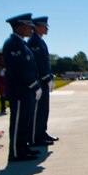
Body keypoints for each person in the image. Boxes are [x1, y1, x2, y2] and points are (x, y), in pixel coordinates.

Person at [3, 13, 41, 162]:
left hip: (26, 90)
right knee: (18, 122)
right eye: (28, 25)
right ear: (19, 26)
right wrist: (34, 85)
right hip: (19, 90)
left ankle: (23, 147)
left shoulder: (22, 44)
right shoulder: (12, 43)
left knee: (25, 120)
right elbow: (20, 69)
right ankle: (15, 152)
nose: (31, 28)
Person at [27, 16, 58, 146]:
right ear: (36, 26)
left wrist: (50, 77)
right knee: (38, 110)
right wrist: (46, 78)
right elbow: (39, 64)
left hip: (44, 81)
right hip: (39, 81)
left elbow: (46, 63)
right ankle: (35, 136)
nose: (46, 28)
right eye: (44, 26)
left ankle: (41, 132)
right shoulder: (34, 42)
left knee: (44, 109)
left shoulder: (40, 41)